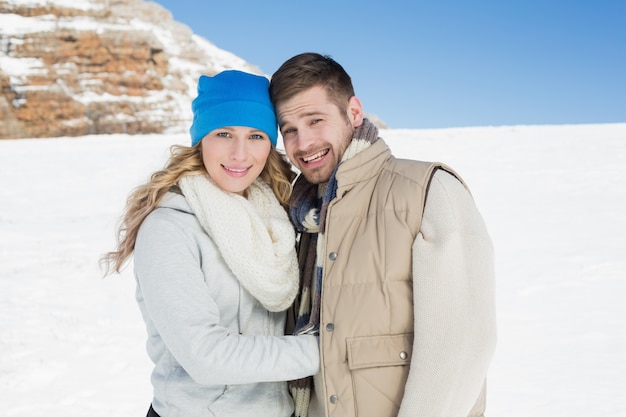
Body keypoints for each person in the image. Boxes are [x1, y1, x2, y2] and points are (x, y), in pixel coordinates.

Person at [268, 52, 497, 417]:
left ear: (354, 112)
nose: (303, 143)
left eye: (316, 120)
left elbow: (461, 345)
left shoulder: (426, 192)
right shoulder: (301, 220)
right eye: (289, 129)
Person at [100, 70, 320, 417]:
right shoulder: (170, 228)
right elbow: (205, 357)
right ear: (201, 138)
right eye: (224, 133)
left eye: (256, 136)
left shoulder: (274, 219)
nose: (240, 153)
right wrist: (329, 352)